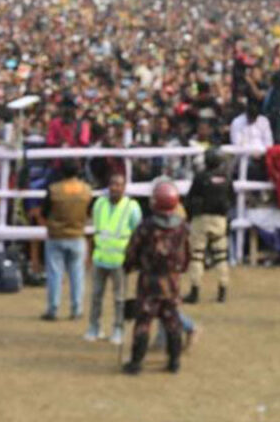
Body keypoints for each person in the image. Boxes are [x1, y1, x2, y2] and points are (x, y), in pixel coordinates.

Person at [122, 180, 190, 375]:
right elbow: (187, 254)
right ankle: (174, 361)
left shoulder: (146, 227)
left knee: (143, 320)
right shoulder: (182, 227)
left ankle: (136, 363)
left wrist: (128, 267)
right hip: (172, 281)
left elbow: (132, 252)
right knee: (172, 320)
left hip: (149, 281)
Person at [85, 173, 142, 344]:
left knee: (120, 298)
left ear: (124, 188)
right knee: (96, 296)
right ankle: (94, 327)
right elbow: (95, 230)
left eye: (118, 185)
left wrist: (133, 259)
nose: (115, 188)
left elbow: (137, 235)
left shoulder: (131, 207)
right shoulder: (99, 204)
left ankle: (118, 329)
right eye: (112, 184)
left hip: (120, 261)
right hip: (100, 258)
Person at [35, 159, 93, 321]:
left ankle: (53, 309)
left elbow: (44, 213)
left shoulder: (54, 190)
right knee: (77, 274)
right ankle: (77, 309)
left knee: (55, 274)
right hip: (77, 236)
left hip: (56, 236)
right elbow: (89, 212)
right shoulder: (86, 190)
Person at [183, 150, 234, 304]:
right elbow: (231, 198)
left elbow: (190, 198)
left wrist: (191, 214)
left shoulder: (201, 177)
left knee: (197, 256)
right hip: (220, 220)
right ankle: (222, 290)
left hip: (201, 219)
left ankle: (195, 291)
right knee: (221, 256)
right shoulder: (226, 177)